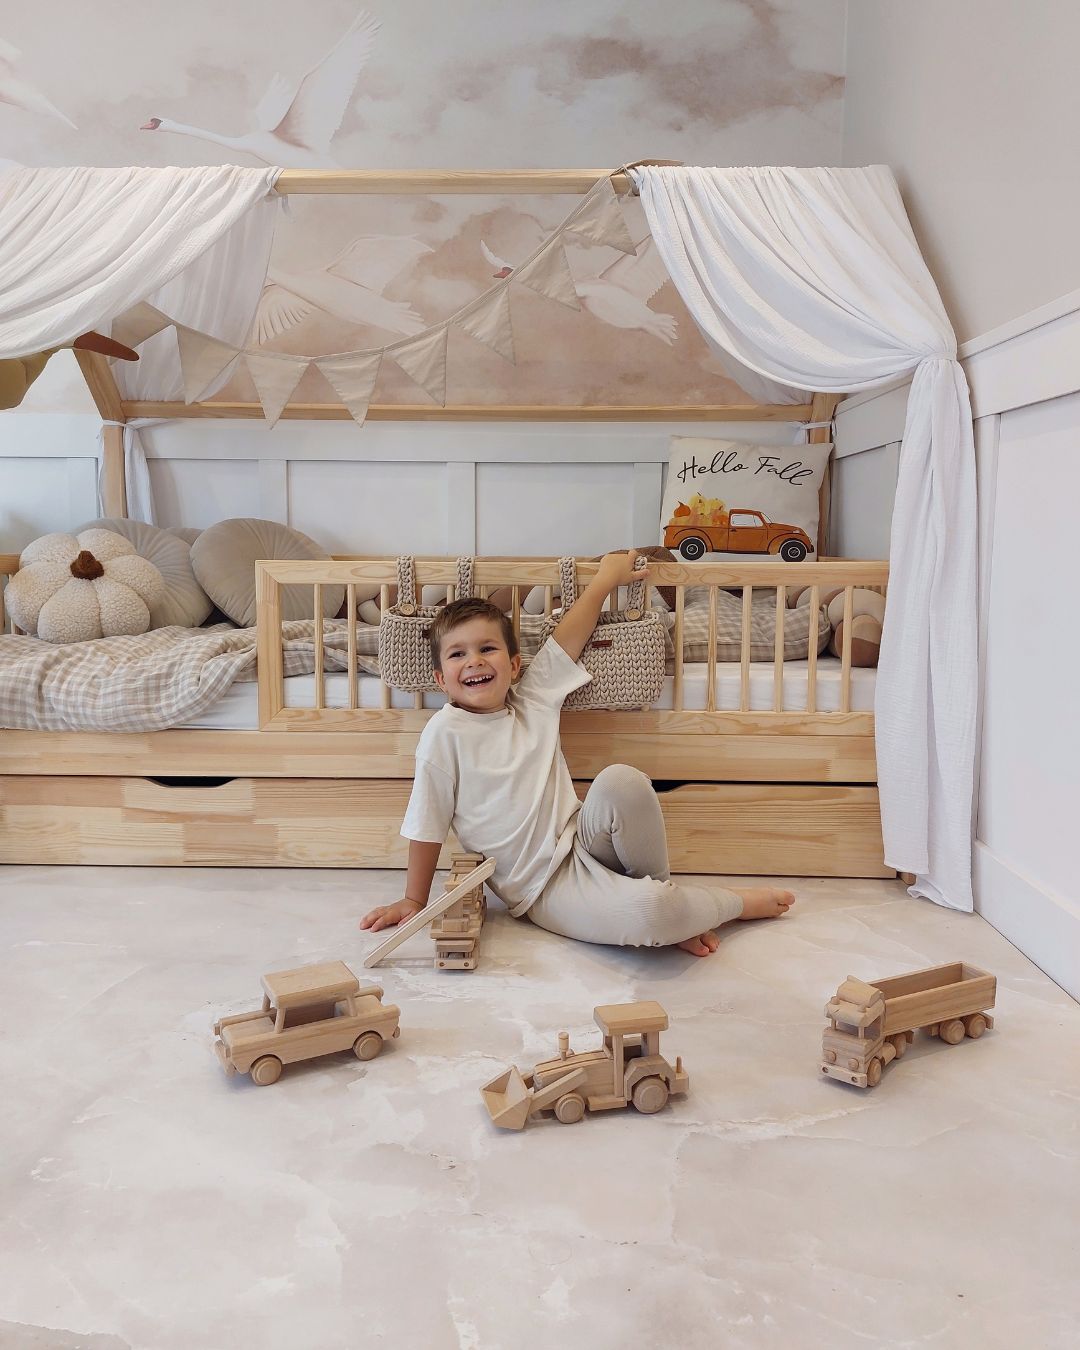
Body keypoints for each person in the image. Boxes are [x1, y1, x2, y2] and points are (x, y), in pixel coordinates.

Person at [359, 550, 794, 956]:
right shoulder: (443, 734)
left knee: (623, 780)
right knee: (651, 913)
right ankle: (726, 904)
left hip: (582, 839)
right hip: (543, 888)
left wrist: (605, 580)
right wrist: (413, 899)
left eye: (487, 648)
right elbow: (427, 822)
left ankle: (667, 901)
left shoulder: (531, 700)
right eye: (458, 654)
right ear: (441, 679)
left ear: (514, 665)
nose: (474, 661)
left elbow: (566, 640)